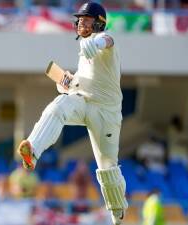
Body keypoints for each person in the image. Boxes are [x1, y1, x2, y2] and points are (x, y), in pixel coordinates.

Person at [16, 1, 128, 224]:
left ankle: (117, 214)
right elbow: (85, 82)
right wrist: (68, 83)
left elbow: (108, 40)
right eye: (80, 20)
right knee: (59, 105)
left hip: (106, 114)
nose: (81, 24)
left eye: (87, 21)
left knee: (107, 169)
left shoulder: (105, 43)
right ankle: (33, 151)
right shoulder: (85, 48)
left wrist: (97, 41)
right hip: (84, 103)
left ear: (99, 24)